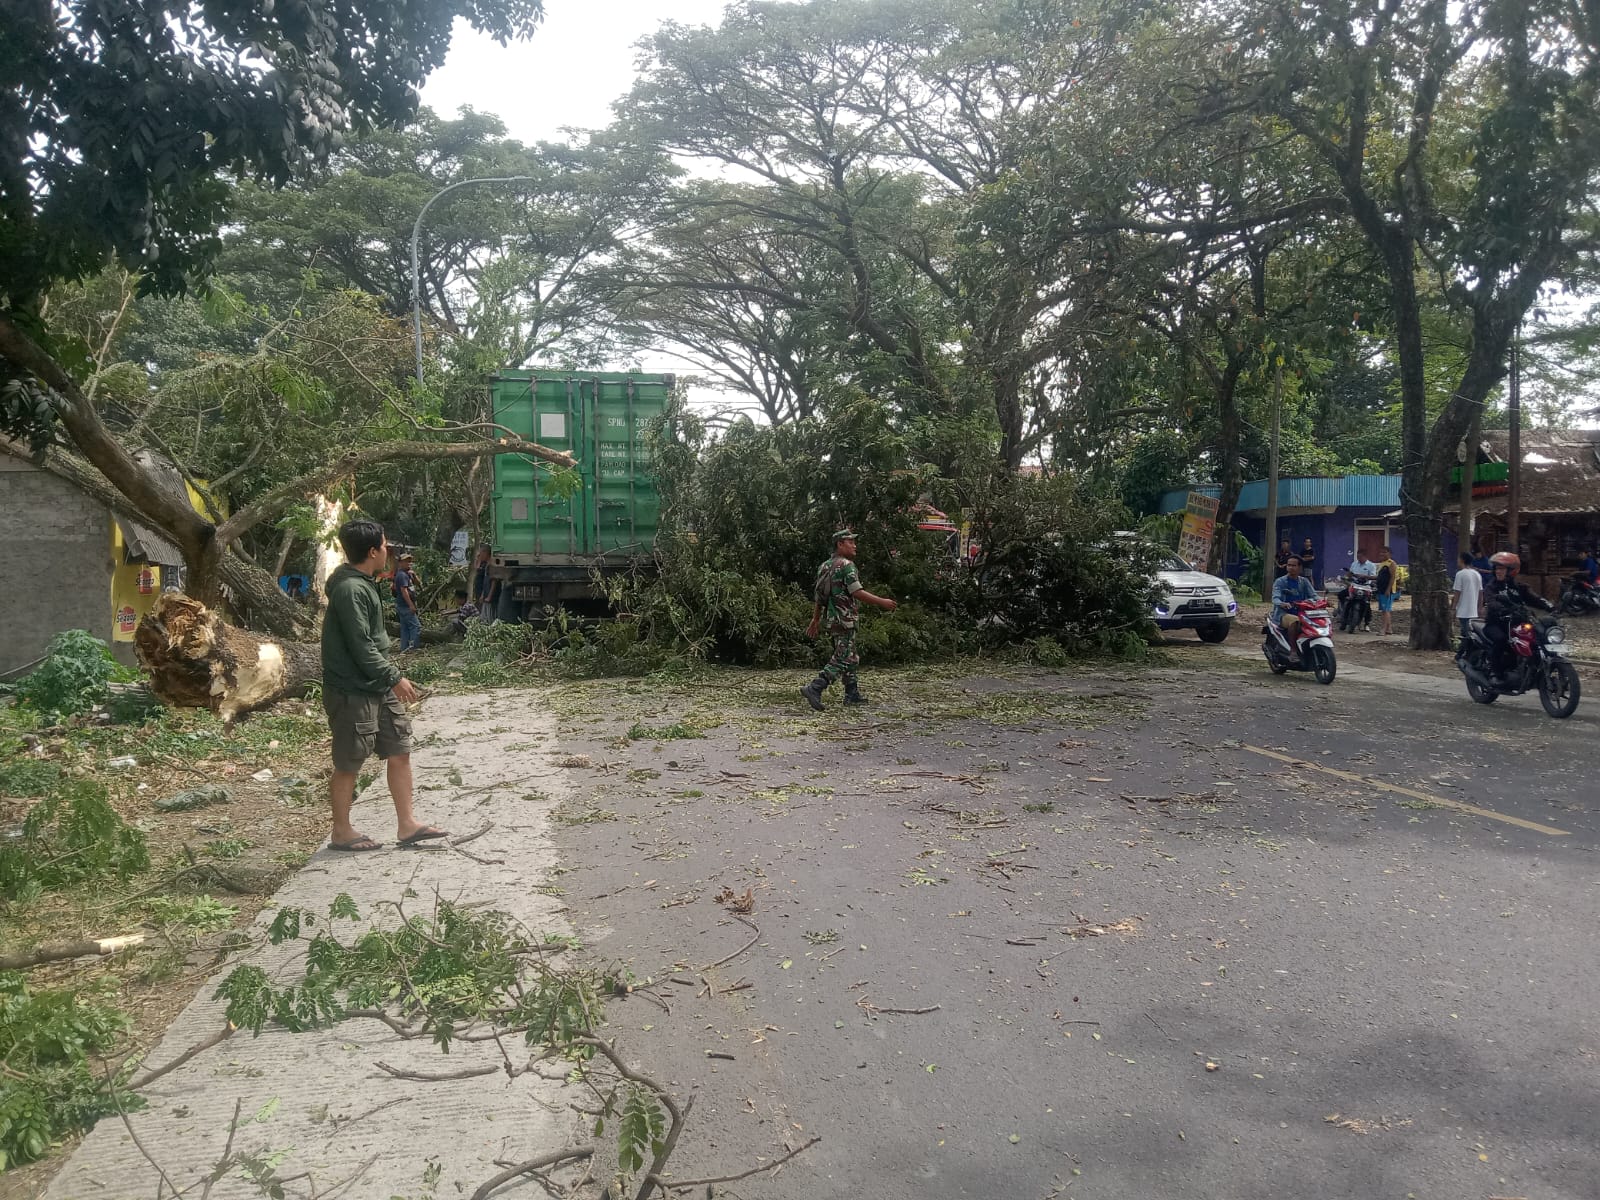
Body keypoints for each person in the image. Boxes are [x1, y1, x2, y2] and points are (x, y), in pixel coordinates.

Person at [321, 519, 445, 852]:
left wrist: (387, 679)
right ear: (373, 551)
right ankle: (341, 831)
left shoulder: (364, 583)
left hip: (375, 684)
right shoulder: (350, 590)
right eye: (385, 544)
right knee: (349, 760)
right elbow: (361, 646)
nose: (388, 550)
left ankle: (407, 824)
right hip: (352, 690)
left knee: (399, 747)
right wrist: (393, 677)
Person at [802, 529, 897, 710]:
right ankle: (815, 687)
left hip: (833, 619)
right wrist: (882, 602)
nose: (854, 546)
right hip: (845, 618)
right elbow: (857, 592)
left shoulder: (824, 566)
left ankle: (852, 694)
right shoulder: (847, 565)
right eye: (850, 542)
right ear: (840, 544)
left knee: (851, 656)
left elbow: (819, 597)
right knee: (843, 656)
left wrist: (815, 619)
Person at [1482, 551, 1554, 683]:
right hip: (1496, 624)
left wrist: (1550, 607)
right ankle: (1495, 672)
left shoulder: (1519, 588)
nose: (1498, 571)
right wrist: (1502, 609)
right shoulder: (1491, 587)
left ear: (1511, 571)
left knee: (1536, 638)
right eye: (1497, 568)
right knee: (1501, 640)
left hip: (1517, 623)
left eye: (1502, 569)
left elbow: (1534, 599)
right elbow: (1491, 602)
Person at [1271, 554, 1318, 659]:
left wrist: (1323, 601)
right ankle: (1293, 650)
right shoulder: (1280, 581)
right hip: (1283, 614)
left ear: (1300, 567)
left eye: (1293, 565)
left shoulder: (1304, 581)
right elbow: (1275, 598)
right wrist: (1282, 603)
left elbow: (1314, 596)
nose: (1290, 567)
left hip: (1303, 613)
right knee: (1294, 621)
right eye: (1289, 565)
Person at [1450, 550, 1483, 652]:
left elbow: (1457, 593)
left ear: (1462, 560)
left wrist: (1453, 608)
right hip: (1474, 610)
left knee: (1465, 634)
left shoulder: (1460, 574)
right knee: (1471, 633)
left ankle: (1464, 653)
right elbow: (1481, 593)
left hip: (1463, 610)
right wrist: (1479, 607)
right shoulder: (1477, 574)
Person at [393, 551, 421, 652]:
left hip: (403, 606)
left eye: (410, 561)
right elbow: (404, 591)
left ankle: (404, 648)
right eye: (406, 561)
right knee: (416, 626)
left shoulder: (408, 574)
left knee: (405, 628)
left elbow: (419, 584)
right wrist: (411, 605)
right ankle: (413, 648)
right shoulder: (402, 575)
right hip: (405, 606)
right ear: (400, 563)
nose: (409, 563)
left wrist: (414, 575)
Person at [1346, 549, 1378, 633]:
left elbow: (1374, 577)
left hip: (1365, 587)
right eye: (1358, 557)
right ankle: (1344, 620)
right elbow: (1350, 575)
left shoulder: (1371, 565)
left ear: (1365, 556)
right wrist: (1349, 575)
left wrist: (1364, 576)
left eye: (1360, 557)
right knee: (1346, 599)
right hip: (1354, 586)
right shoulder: (1354, 564)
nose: (1359, 559)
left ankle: (1367, 623)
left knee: (1367, 605)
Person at [1374, 546, 1400, 636]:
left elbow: (1392, 578)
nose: (1382, 554)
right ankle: (1389, 629)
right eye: (1381, 552)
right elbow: (1379, 577)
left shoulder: (1391, 563)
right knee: (1384, 610)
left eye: (1384, 552)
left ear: (1389, 553)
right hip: (1381, 589)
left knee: (1386, 610)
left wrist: (1388, 589)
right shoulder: (1382, 564)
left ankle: (1383, 629)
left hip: (1387, 590)